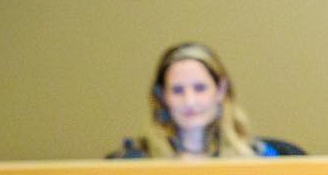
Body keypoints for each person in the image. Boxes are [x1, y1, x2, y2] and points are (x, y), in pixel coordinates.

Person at [111, 42, 303, 158]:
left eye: (200, 88)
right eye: (177, 90)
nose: (190, 101)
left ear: (220, 90)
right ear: (162, 96)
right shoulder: (135, 162)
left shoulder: (262, 156)